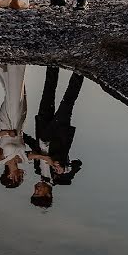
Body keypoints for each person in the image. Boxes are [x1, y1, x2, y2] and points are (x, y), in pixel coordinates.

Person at [0, 64, 60, 188]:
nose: (20, 177)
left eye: (17, 179)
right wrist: (50, 161)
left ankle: (15, 63)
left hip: (7, 123)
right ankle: (2, 64)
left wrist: (6, 132)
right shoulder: (21, 159)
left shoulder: (0, 159)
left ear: (10, 176)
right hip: (19, 125)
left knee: (14, 93)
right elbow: (39, 156)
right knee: (18, 93)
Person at [24, 67, 85, 208]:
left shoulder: (38, 170)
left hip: (43, 128)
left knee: (47, 94)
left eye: (34, 192)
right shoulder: (63, 179)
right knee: (67, 102)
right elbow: (77, 164)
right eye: (38, 193)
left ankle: (52, 64)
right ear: (48, 194)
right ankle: (80, 71)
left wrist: (22, 136)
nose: (36, 190)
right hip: (58, 133)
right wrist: (64, 169)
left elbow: (35, 147)